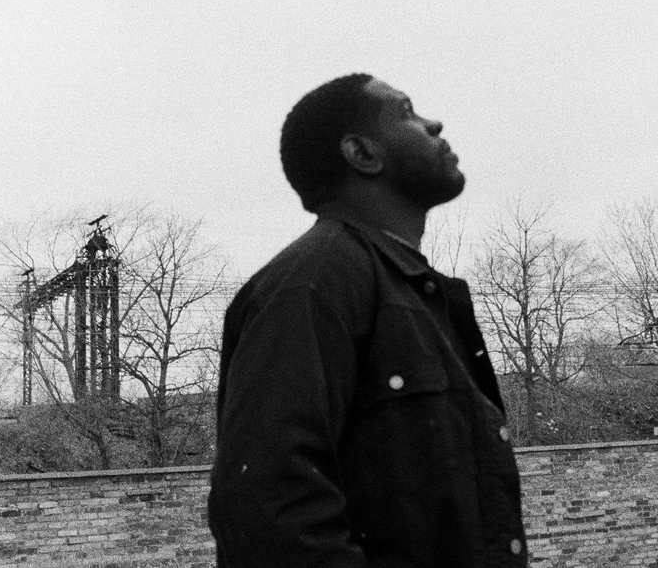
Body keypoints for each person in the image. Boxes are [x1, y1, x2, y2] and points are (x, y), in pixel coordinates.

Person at [208, 73, 527, 568]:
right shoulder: (312, 284)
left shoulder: (416, 294)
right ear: (362, 154)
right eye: (407, 112)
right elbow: (269, 510)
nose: (434, 123)